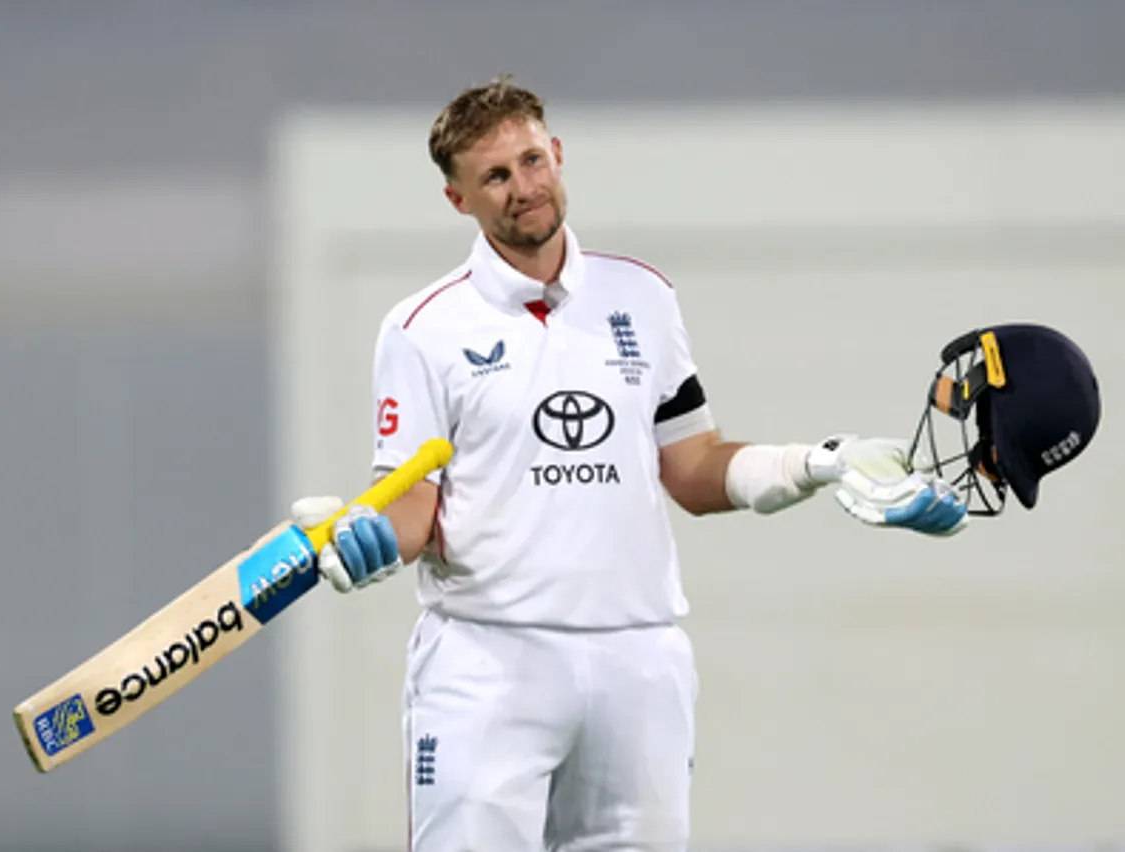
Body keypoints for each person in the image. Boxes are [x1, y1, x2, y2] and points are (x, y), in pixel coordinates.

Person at [288, 75, 967, 852]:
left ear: (558, 153)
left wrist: (820, 462)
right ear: (458, 200)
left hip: (638, 659)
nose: (524, 188)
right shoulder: (420, 329)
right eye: (496, 177)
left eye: (533, 160)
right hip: (487, 662)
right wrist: (367, 539)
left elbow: (693, 466)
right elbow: (413, 506)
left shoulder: (640, 296)